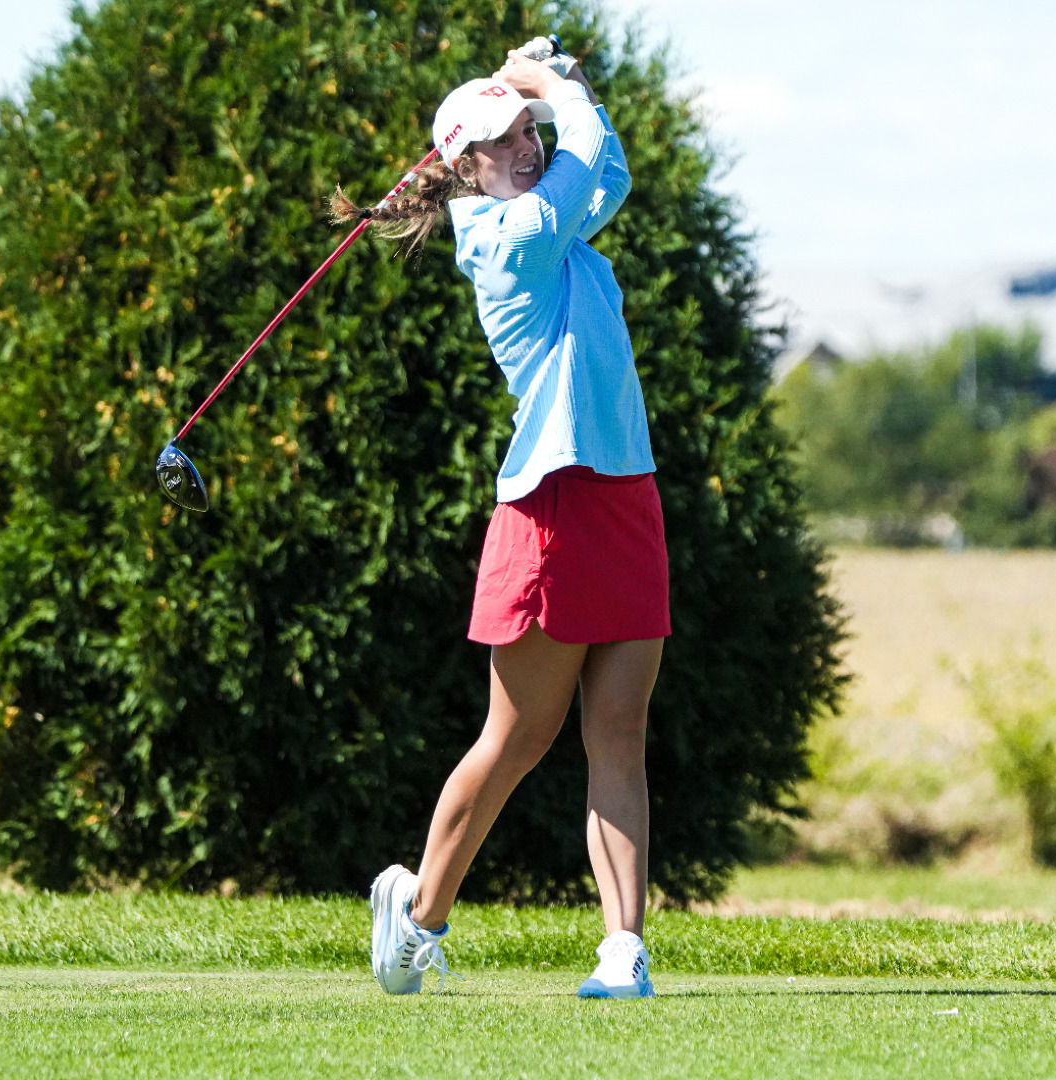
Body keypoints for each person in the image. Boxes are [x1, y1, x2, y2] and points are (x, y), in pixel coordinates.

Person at [335, 40, 665, 999]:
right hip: (550, 501)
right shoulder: (504, 237)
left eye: (525, 131)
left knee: (619, 732)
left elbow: (607, 164)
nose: (523, 145)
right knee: (519, 737)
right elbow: (584, 152)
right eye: (501, 138)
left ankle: (622, 949)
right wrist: (554, 87)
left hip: (624, 490)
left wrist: (558, 91)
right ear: (460, 166)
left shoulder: (551, 217)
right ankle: (418, 914)